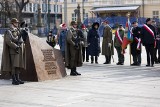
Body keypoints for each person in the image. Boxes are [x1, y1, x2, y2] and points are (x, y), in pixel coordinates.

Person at [1, 18, 26, 85]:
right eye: (16, 23)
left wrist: (21, 43)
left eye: (17, 23)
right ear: (12, 23)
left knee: (18, 65)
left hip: (18, 50)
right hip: (13, 50)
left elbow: (20, 39)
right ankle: (14, 79)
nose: (17, 24)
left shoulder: (17, 30)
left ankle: (17, 78)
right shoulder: (8, 31)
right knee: (13, 66)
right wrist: (15, 46)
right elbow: (8, 41)